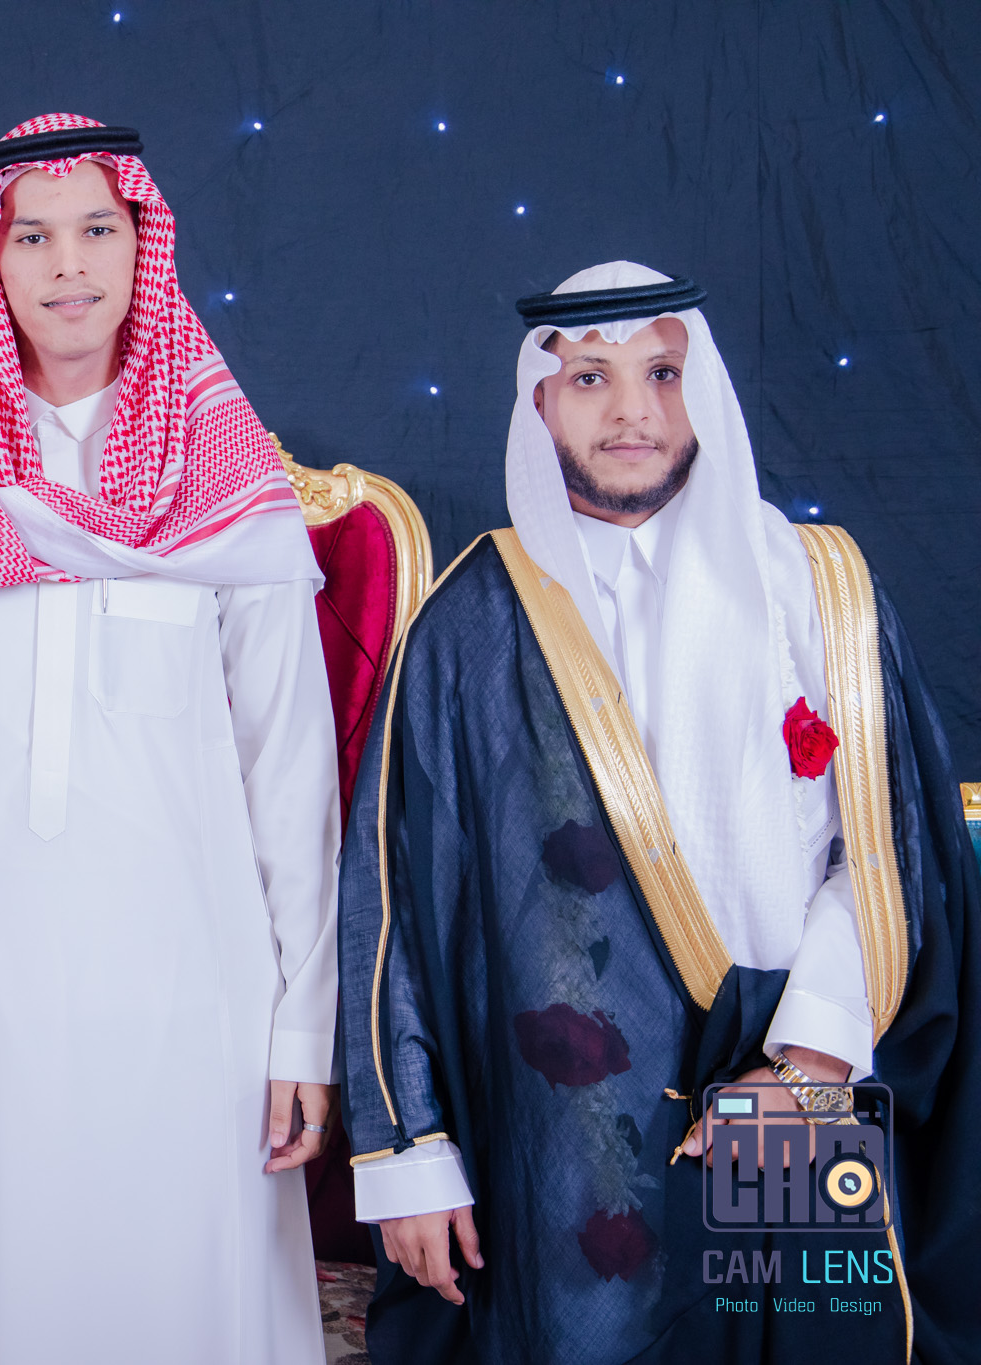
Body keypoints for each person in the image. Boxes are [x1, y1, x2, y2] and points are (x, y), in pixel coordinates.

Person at [338, 262, 981, 1362]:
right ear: (540, 402)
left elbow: (892, 856)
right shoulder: (471, 620)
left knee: (797, 1340)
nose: (631, 409)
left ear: (704, 391)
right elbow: (394, 903)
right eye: (591, 377)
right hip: (563, 1124)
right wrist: (410, 1154)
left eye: (663, 373)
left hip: (790, 1080)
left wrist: (807, 1067)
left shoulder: (816, 586)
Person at [0, 114, 343, 1364]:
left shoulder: (224, 476)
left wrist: (298, 1032)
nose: (66, 265)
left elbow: (288, 774)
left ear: (141, 242)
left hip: (191, 1004)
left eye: (96, 228)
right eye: (30, 237)